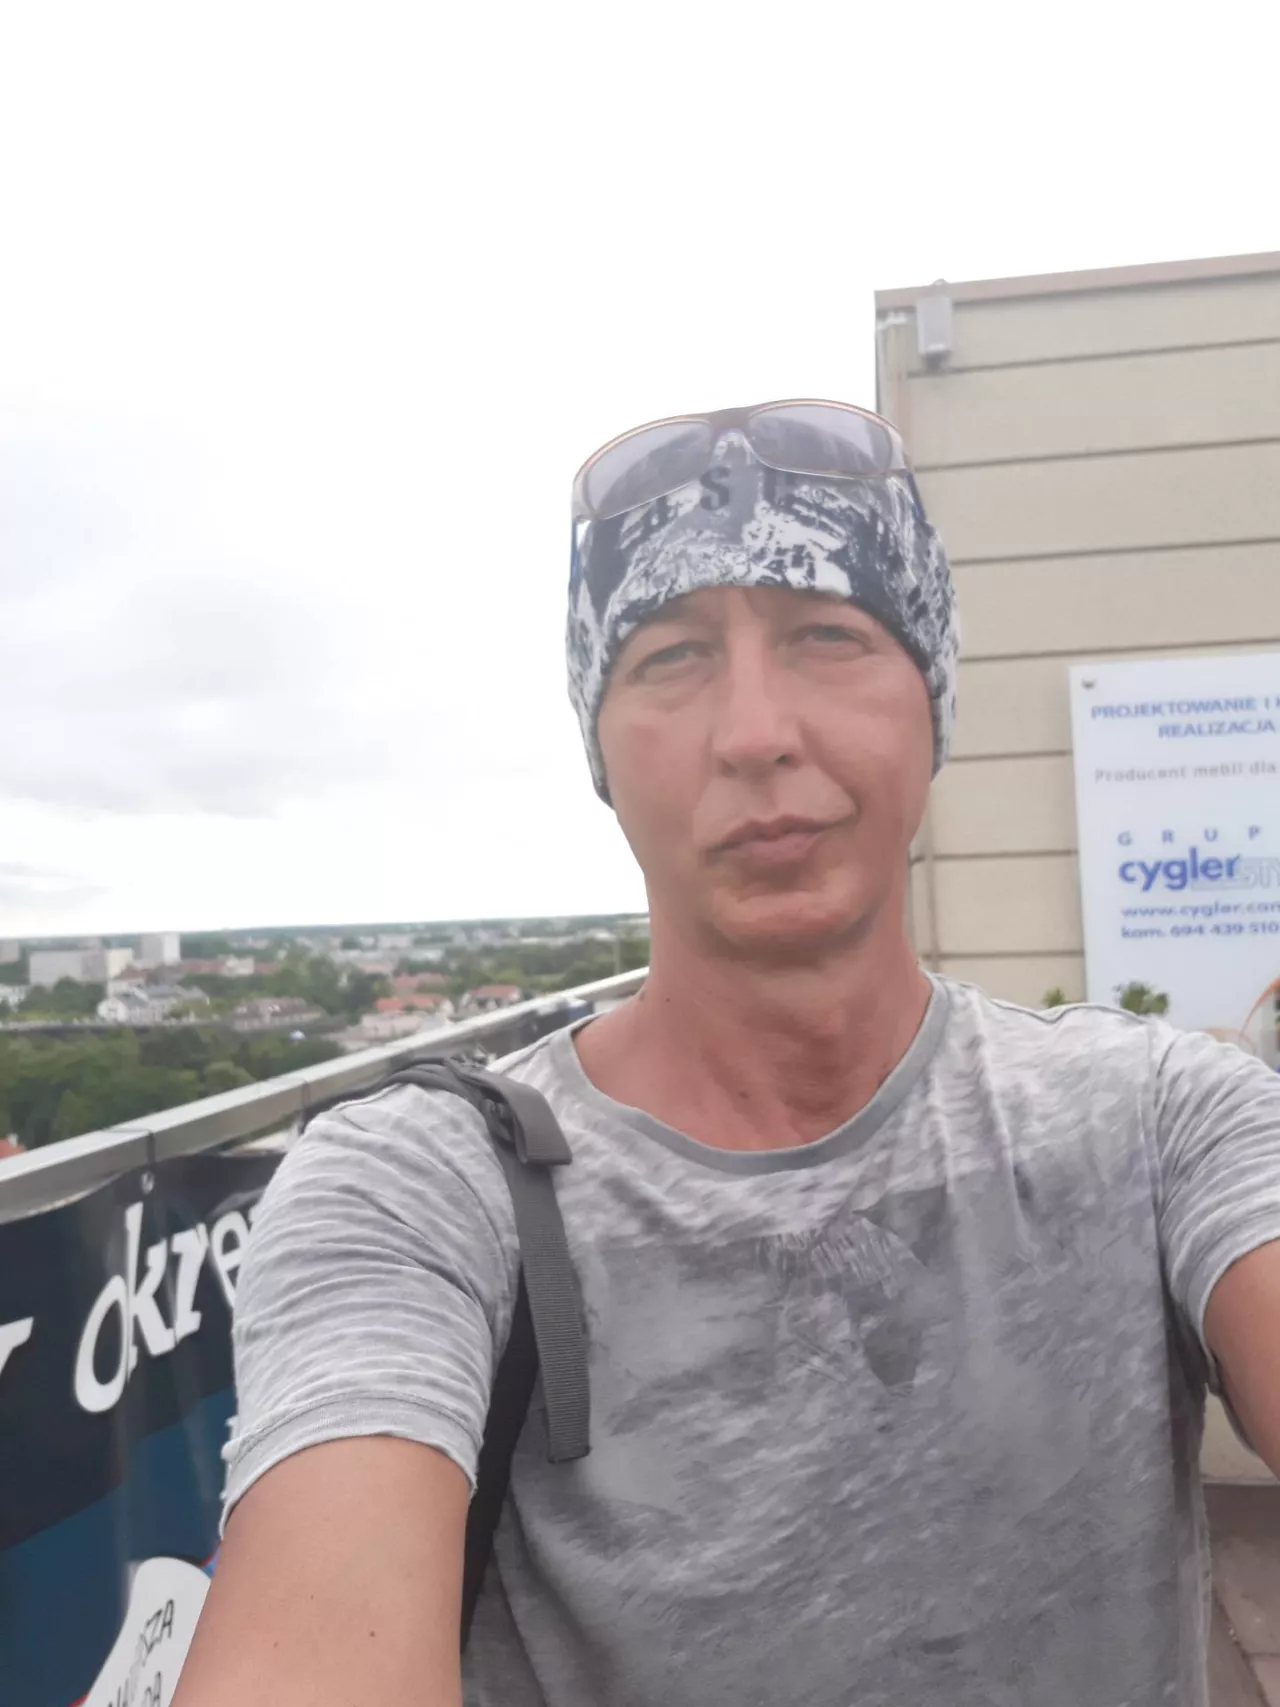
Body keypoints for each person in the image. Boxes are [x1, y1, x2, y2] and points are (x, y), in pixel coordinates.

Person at [174, 401, 1280, 1707]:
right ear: (602, 747)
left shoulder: (1161, 1118)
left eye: (829, 636)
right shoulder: (418, 1190)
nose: (755, 731)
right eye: (671, 656)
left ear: (932, 707)